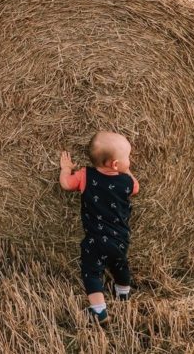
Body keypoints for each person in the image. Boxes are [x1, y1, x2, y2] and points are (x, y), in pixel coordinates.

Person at [59, 131, 139, 326]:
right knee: (120, 265)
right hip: (120, 238)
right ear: (115, 164)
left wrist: (65, 169)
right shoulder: (126, 182)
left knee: (91, 271)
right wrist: (126, 172)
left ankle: (99, 311)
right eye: (127, 158)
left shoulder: (86, 175)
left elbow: (66, 184)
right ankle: (123, 293)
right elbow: (136, 187)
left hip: (94, 240)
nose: (130, 161)